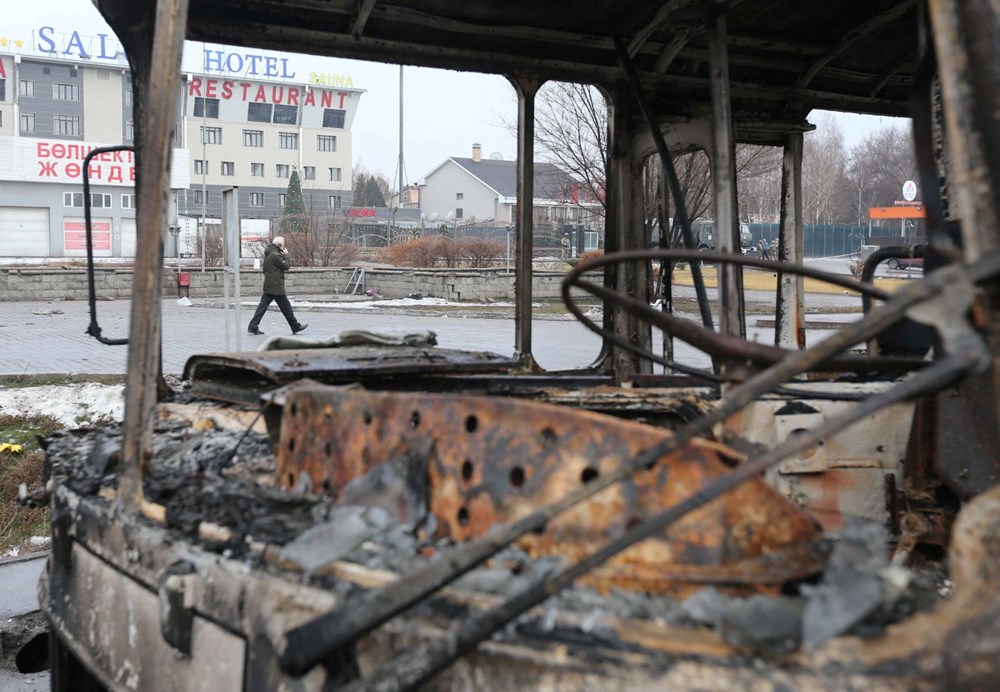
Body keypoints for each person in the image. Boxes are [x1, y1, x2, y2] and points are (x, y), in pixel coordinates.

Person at [247, 236, 308, 335]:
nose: (284, 247)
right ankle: (295, 326)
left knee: (262, 307)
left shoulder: (268, 254)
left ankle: (253, 326)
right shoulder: (275, 255)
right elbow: (286, 266)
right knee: (286, 307)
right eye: (283, 245)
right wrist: (287, 256)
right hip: (276, 286)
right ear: (280, 245)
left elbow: (265, 270)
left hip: (269, 285)